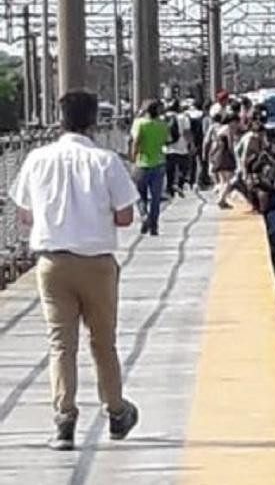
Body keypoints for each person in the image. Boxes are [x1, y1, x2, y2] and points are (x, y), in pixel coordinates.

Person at [10, 90, 140, 451]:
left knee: (60, 344)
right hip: (97, 263)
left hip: (52, 263)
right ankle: (116, 411)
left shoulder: (37, 159)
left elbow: (23, 213)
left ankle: (64, 421)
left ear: (59, 116)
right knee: (103, 342)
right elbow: (126, 215)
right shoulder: (105, 161)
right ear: (94, 120)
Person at [131, 99, 169, 236]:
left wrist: (133, 157)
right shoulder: (163, 125)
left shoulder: (139, 123)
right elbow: (165, 140)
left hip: (142, 162)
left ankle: (143, 215)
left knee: (139, 195)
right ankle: (154, 225)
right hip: (159, 163)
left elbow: (136, 141)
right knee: (156, 197)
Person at [164, 100, 194, 198]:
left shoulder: (164, 118)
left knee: (170, 171)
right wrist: (191, 144)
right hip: (182, 148)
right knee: (183, 169)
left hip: (167, 148)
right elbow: (187, 132)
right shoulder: (183, 117)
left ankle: (170, 188)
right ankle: (179, 184)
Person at [209, 112, 239, 209]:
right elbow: (230, 145)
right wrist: (234, 157)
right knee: (229, 180)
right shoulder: (228, 129)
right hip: (225, 155)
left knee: (222, 180)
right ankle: (221, 199)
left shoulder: (220, 129)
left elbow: (216, 144)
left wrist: (211, 155)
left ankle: (223, 200)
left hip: (219, 155)